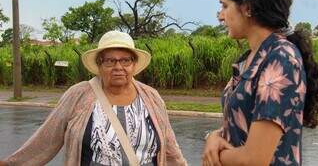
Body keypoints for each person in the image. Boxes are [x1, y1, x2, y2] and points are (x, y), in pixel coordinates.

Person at [0, 30, 187, 166]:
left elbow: (170, 147)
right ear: (99, 64)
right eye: (110, 60)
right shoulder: (79, 95)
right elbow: (47, 139)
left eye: (125, 60)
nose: (118, 67)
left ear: (133, 64)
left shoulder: (151, 97)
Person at [202, 0, 318, 166]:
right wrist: (213, 137)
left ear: (247, 8)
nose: (220, 16)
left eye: (225, 6)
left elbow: (255, 159)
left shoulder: (280, 59)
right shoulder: (249, 60)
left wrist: (214, 156)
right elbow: (244, 125)